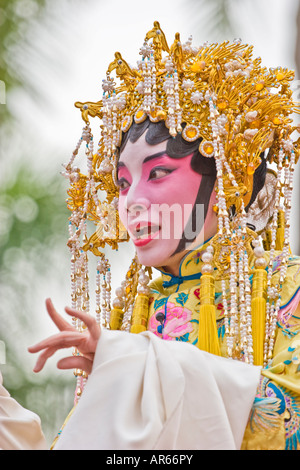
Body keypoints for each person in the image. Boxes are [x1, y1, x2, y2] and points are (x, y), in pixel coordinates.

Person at [26, 23, 300, 450]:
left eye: (157, 173)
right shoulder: (134, 319)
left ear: (226, 180)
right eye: (121, 183)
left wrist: (139, 367)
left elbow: (288, 423)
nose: (131, 201)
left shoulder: (286, 286)